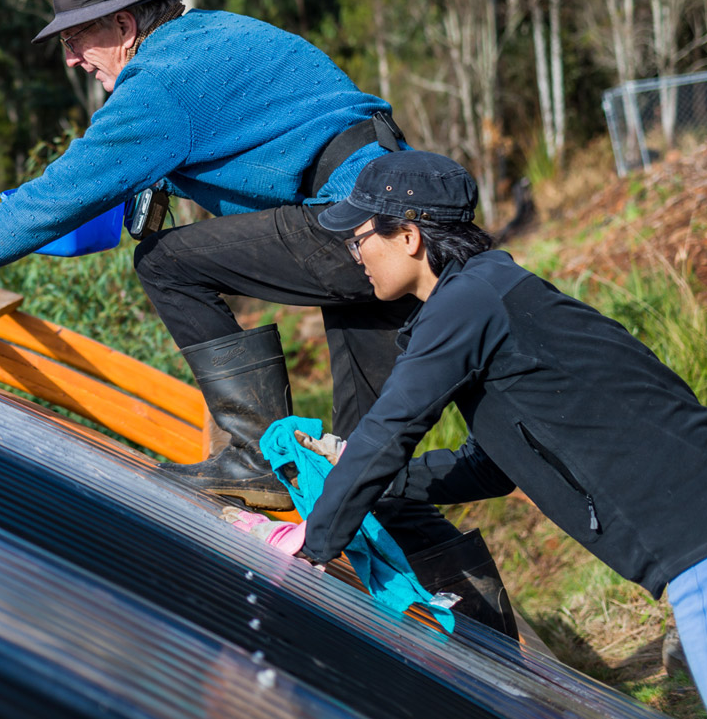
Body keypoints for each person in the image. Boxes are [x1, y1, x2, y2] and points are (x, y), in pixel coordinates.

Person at [0, 0, 506, 627]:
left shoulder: (157, 85)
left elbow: (56, 197)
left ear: (124, 26)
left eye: (77, 38)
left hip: (352, 226)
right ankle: (492, 635)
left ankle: (254, 453)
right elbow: (98, 200)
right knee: (364, 469)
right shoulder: (206, 39)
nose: (72, 57)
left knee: (164, 262)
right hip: (390, 219)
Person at [288, 150, 707, 671]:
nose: (355, 254)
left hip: (693, 534)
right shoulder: (487, 297)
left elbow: (392, 424)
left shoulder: (468, 304)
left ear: (408, 237)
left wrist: (312, 550)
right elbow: (490, 466)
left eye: (359, 239)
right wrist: (365, 476)